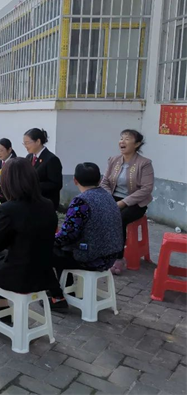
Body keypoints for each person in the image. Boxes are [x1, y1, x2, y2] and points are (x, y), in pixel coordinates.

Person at [0, 158, 58, 326]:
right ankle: (2, 307)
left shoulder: (8, 209)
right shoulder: (48, 204)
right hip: (43, 274)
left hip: (19, 277)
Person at [49, 163, 124, 310]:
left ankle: (57, 297)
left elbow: (67, 235)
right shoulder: (108, 197)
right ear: (99, 180)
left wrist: (48, 240)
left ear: (75, 180)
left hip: (91, 257)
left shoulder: (81, 201)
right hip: (111, 255)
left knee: (43, 252)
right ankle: (67, 289)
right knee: (59, 249)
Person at [100, 129, 154, 275]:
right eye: (121, 138)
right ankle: (100, 251)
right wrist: (109, 199)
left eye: (127, 139)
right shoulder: (113, 160)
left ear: (137, 144)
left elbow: (146, 189)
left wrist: (124, 202)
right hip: (113, 198)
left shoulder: (144, 163)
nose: (122, 142)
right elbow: (104, 182)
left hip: (136, 202)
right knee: (96, 212)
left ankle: (118, 258)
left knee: (119, 218)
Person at [23, 128, 63, 211]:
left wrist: (32, 186)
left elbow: (56, 184)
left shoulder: (51, 159)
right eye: (24, 143)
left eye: (27, 143)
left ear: (38, 141)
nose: (26, 146)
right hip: (30, 201)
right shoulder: (29, 157)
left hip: (45, 203)